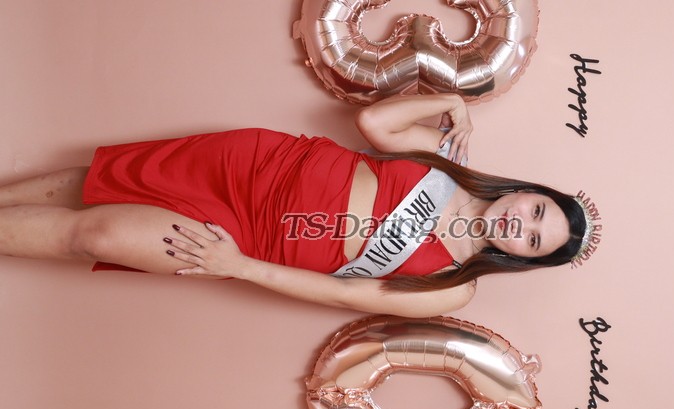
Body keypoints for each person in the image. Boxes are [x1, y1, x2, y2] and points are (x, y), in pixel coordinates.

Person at [0, 94, 599, 317]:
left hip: (247, 240)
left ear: (520, 258)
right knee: (103, 181)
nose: (522, 224)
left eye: (532, 241)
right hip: (261, 164)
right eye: (537, 211)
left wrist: (239, 267)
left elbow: (343, 296)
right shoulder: (452, 162)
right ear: (528, 192)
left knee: (96, 236)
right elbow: (373, 122)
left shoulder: (453, 287)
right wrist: (453, 103)